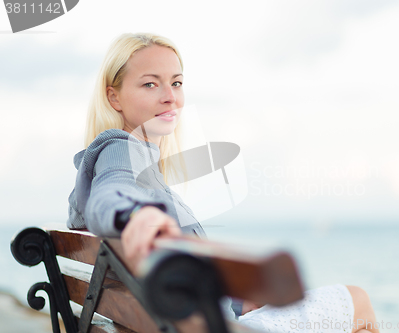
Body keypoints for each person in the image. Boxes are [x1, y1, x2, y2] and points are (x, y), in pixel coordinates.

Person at [67, 32, 380, 333]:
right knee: (358, 303)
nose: (170, 97)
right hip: (209, 327)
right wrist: (134, 215)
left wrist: (240, 300)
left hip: (200, 319)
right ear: (114, 97)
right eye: (150, 84)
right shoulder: (121, 149)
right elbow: (110, 195)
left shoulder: (128, 163)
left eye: (176, 83)